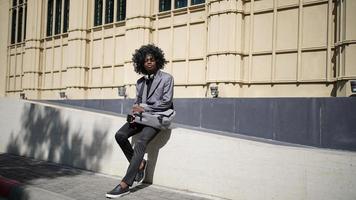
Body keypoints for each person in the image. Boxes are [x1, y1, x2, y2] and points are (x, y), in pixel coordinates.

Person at [106, 44, 174, 198]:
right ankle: (141, 164)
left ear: (157, 61)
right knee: (120, 135)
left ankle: (125, 184)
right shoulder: (140, 82)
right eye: (145, 61)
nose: (149, 62)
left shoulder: (167, 78)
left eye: (151, 59)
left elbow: (166, 102)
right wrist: (132, 113)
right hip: (141, 118)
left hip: (157, 118)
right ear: (141, 64)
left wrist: (144, 109)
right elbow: (137, 103)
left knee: (141, 142)